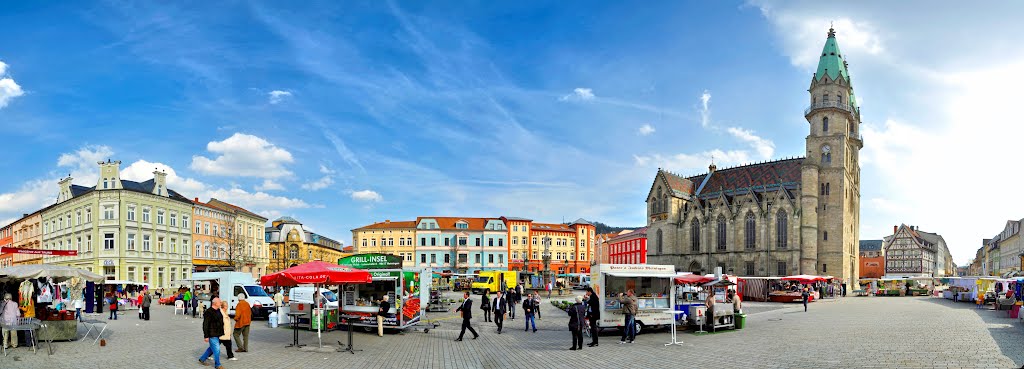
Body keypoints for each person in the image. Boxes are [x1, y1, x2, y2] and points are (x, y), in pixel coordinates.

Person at [199, 298, 225, 369]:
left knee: (212, 348)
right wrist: (206, 336)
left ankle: (202, 359)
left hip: (218, 333)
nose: (221, 303)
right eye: (220, 302)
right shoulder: (208, 312)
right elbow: (205, 325)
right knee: (217, 349)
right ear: (215, 303)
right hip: (212, 334)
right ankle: (218, 365)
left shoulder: (218, 310)